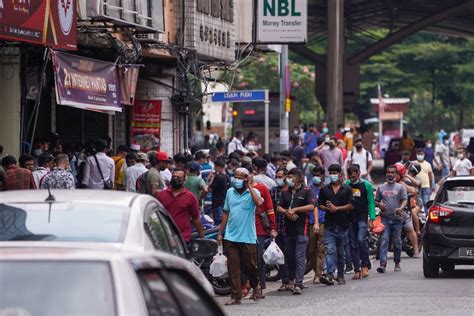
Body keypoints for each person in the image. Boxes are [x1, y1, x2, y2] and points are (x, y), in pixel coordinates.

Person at [217, 168, 264, 305]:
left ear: (246, 178)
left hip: (247, 237)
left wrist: (249, 186)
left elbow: (260, 203)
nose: (236, 180)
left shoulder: (253, 192)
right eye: (235, 176)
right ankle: (235, 296)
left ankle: (256, 287)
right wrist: (220, 232)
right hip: (231, 237)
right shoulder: (230, 192)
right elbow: (226, 212)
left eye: (240, 177)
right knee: (233, 268)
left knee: (251, 265)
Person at [277, 168, 316, 294]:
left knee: (300, 257)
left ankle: (298, 283)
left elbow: (312, 206)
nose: (289, 179)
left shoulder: (306, 191)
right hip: (287, 230)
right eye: (288, 176)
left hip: (302, 230)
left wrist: (296, 210)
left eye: (291, 176)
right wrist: (287, 212)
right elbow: (278, 207)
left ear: (298, 177)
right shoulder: (285, 192)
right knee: (290, 257)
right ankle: (291, 279)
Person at [318, 164, 354, 285]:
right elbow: (320, 204)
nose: (333, 175)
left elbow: (351, 205)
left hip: (343, 225)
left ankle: (340, 275)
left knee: (341, 252)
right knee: (330, 250)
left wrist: (337, 208)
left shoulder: (347, 189)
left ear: (340, 174)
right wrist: (328, 208)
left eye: (335, 172)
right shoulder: (324, 189)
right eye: (331, 172)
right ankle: (329, 274)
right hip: (329, 225)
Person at [156, 167, 204, 243]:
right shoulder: (161, 195)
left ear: (184, 180)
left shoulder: (190, 197)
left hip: (183, 239)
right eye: (174, 176)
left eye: (179, 177)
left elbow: (196, 219)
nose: (175, 179)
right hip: (164, 238)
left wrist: (202, 239)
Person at [375, 165, 408, 273]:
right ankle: (383, 264)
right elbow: (376, 201)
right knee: (384, 240)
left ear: (396, 175)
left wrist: (401, 208)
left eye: (392, 173)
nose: (390, 174)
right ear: (386, 174)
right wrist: (380, 206)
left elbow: (404, 200)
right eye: (388, 172)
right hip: (385, 219)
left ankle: (397, 262)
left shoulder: (400, 187)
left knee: (397, 242)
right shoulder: (381, 187)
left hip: (397, 219)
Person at [345, 165, 375, 279]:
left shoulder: (367, 185)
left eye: (354, 177)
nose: (352, 179)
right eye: (350, 177)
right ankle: (357, 269)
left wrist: (371, 219)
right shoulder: (346, 185)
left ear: (358, 174)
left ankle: (365, 265)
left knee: (361, 239)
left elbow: (371, 202)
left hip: (362, 217)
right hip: (350, 218)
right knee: (352, 244)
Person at [271, 168, 290, 291]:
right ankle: (285, 281)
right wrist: (272, 228)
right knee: (281, 255)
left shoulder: (292, 191)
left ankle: (293, 280)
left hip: (291, 229)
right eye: (276, 176)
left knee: (292, 255)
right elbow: (270, 210)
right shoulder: (273, 191)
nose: (278, 179)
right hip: (278, 227)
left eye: (280, 176)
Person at [307, 165, 326, 284]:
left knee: (321, 249)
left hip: (324, 221)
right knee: (310, 250)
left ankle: (318, 274)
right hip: (310, 222)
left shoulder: (326, 189)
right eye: (314, 175)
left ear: (322, 176)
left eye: (318, 175)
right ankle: (315, 270)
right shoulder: (309, 189)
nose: (316, 177)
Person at [207, 159, 229, 226]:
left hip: (217, 203)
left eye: (215, 167)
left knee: (218, 224)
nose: (214, 169)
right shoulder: (227, 177)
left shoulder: (218, 177)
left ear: (218, 167)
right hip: (225, 202)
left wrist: (210, 178)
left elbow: (209, 189)